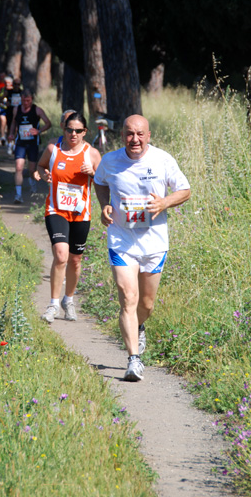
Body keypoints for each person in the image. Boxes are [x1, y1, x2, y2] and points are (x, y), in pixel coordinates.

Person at [93, 115, 191, 382]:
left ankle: (139, 325)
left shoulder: (162, 160)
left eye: (139, 134)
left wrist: (164, 203)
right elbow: (100, 182)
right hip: (121, 240)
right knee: (128, 298)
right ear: (122, 135)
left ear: (148, 136)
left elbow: (185, 190)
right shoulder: (110, 161)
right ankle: (133, 360)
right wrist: (104, 205)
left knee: (146, 303)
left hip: (154, 242)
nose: (134, 140)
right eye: (128, 134)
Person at [37, 112, 101, 323]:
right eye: (69, 130)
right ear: (63, 129)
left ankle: (69, 300)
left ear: (85, 132)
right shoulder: (52, 150)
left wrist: (92, 172)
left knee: (75, 260)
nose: (73, 134)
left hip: (81, 213)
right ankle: (53, 304)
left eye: (78, 130)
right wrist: (43, 173)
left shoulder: (91, 154)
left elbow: (103, 182)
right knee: (61, 254)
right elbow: (41, 166)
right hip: (56, 209)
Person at [8, 89, 51, 202]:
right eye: (23, 100)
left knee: (32, 169)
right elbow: (13, 122)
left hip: (32, 143)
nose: (26, 103)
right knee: (18, 167)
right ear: (21, 99)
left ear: (31, 99)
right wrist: (11, 134)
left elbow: (48, 123)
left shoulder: (37, 110)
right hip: (20, 142)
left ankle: (33, 186)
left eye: (28, 100)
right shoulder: (17, 109)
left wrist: (39, 131)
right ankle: (18, 195)